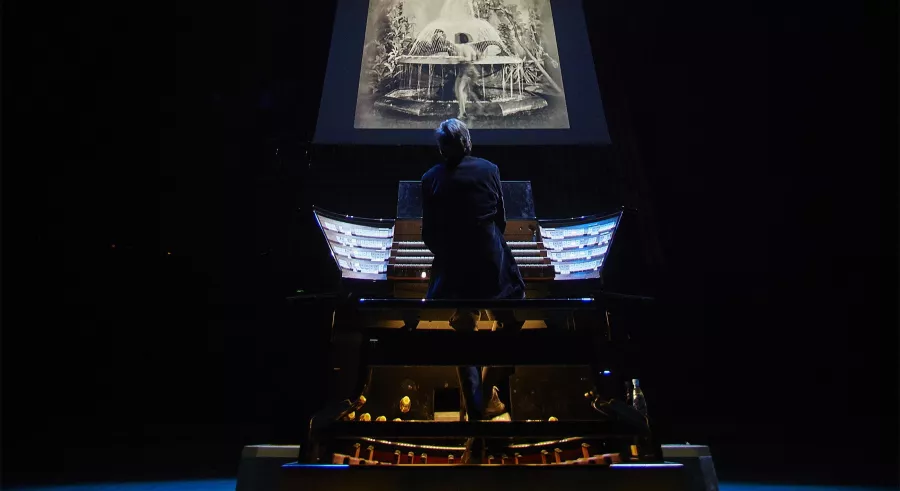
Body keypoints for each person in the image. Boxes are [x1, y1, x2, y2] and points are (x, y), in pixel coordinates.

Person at [421, 118, 526, 463]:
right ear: (468, 142)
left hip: (455, 268)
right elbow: (501, 220)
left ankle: (478, 409)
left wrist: (451, 252)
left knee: (464, 329)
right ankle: (487, 397)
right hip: (490, 262)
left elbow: (429, 236)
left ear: (442, 149)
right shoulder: (490, 169)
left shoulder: (430, 179)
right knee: (510, 321)